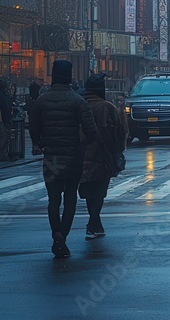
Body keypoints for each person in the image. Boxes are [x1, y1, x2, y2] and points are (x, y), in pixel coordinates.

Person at [28, 60, 100, 259]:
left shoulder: (42, 100)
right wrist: (83, 144)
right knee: (70, 199)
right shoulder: (78, 101)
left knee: (53, 200)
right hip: (73, 157)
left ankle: (56, 233)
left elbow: (33, 125)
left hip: (51, 156)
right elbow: (91, 131)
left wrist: (38, 144)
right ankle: (62, 236)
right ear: (69, 77)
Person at [79, 74, 128, 238]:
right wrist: (118, 150)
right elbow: (120, 133)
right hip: (102, 155)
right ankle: (93, 224)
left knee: (88, 192)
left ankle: (95, 224)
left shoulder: (78, 104)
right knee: (99, 191)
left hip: (81, 155)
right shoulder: (107, 107)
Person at [0, 79, 15, 161]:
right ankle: (1, 154)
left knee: (6, 136)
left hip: (6, 117)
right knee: (3, 136)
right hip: (2, 118)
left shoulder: (3, 93)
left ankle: (4, 153)